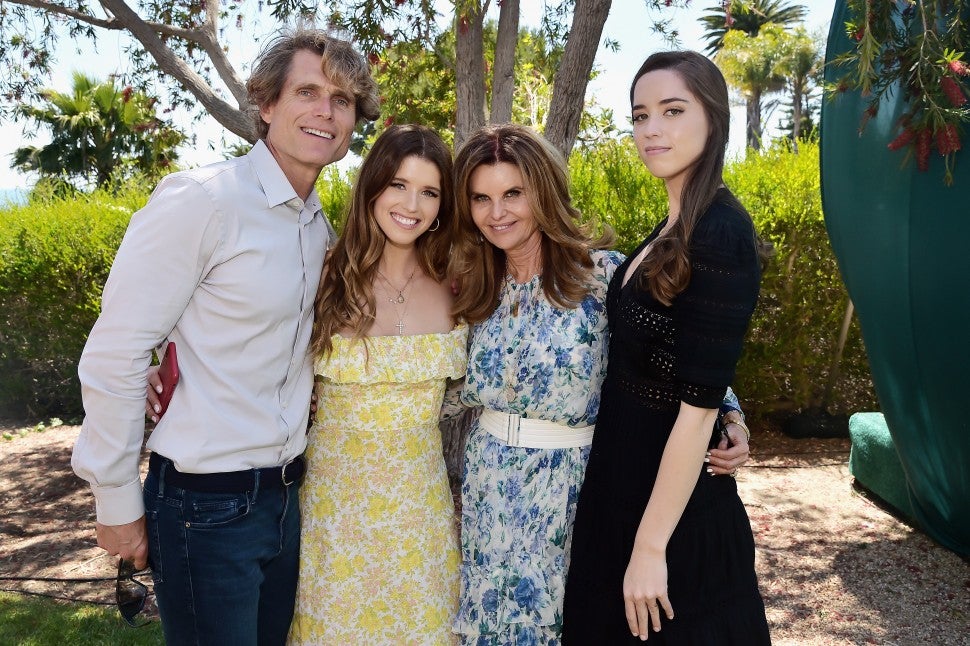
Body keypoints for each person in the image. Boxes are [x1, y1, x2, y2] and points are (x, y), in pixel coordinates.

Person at [71, 28, 380, 645]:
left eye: (342, 100)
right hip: (203, 507)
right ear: (266, 103)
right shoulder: (203, 201)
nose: (326, 110)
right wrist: (116, 499)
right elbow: (116, 352)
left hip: (285, 500)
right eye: (308, 92)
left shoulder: (318, 228)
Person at [446, 124, 752, 645]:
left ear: (543, 192)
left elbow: (677, 356)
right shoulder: (472, 284)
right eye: (481, 198)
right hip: (489, 487)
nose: (497, 213)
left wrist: (732, 416)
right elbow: (441, 384)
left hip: (577, 488)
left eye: (513, 193)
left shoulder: (603, 275)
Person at [562, 51, 772, 644]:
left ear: (714, 118)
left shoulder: (721, 233)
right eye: (640, 115)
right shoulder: (674, 226)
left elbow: (696, 408)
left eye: (672, 110)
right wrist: (735, 416)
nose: (651, 129)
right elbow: (676, 354)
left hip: (673, 517)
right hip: (623, 487)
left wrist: (651, 547)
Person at [287, 124, 467, 644]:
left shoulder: (459, 283)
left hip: (420, 514)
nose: (412, 205)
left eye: (429, 192)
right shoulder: (322, 274)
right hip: (335, 513)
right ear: (372, 187)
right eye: (398, 185)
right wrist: (157, 368)